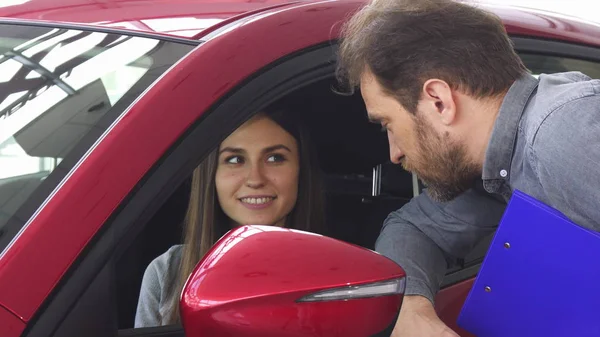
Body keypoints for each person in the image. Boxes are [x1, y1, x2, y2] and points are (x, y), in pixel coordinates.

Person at [336, 0, 600, 336]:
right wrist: (411, 311)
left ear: (439, 101)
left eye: (388, 123)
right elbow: (415, 228)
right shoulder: (495, 164)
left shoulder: (565, 134)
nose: (394, 153)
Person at [134, 108, 325, 327]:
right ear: (211, 175)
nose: (255, 179)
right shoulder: (167, 273)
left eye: (275, 158)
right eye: (235, 159)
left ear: (301, 171)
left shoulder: (341, 276)